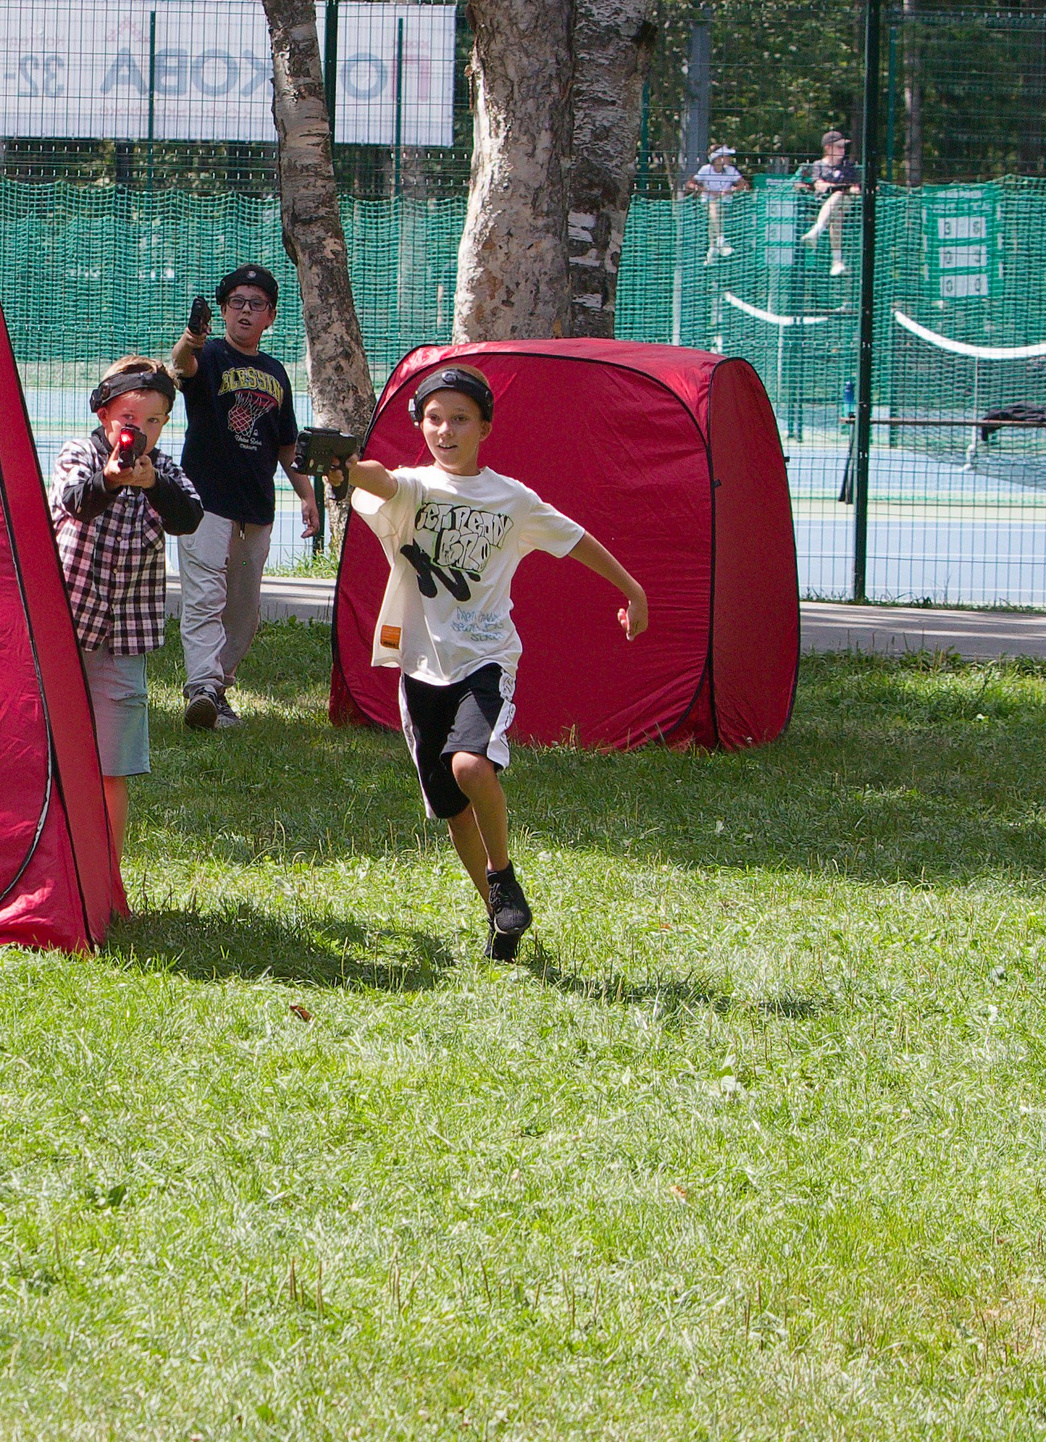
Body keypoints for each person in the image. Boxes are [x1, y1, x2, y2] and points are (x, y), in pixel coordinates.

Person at [314, 365, 648, 962]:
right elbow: (377, 479)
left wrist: (633, 590)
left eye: (460, 418)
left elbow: (575, 540)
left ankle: (502, 874)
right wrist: (340, 465)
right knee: (451, 811)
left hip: (487, 657)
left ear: (485, 426)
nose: (446, 429)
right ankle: (499, 913)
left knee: (471, 766)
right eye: (434, 418)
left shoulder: (512, 499)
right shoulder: (413, 487)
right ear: (421, 425)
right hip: (419, 665)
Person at [49, 356, 203, 882]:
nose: (141, 433)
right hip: (63, 633)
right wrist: (111, 481)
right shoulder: (77, 454)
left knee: (112, 769)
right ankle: (54, 873)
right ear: (103, 415)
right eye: (130, 421)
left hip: (123, 641)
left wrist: (151, 483)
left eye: (156, 421)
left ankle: (103, 880)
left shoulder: (165, 472)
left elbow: (189, 516)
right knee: (51, 759)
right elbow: (75, 501)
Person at [166, 264, 320, 732]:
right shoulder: (209, 356)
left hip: (256, 509)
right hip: (204, 503)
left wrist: (308, 497)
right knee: (204, 599)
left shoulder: (276, 373)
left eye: (256, 304)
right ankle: (202, 687)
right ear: (225, 312)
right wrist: (192, 337)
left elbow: (287, 445)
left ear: (270, 316)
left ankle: (219, 688)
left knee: (243, 613)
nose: (245, 312)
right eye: (237, 303)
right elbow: (181, 367)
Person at [799, 130, 860, 277]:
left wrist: (842, 189)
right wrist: (836, 187)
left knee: (839, 196)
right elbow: (819, 185)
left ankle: (817, 231)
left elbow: (855, 189)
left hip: (846, 203)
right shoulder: (818, 165)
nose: (842, 150)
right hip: (822, 205)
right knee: (836, 216)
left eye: (843, 147)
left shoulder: (848, 166)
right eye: (838, 146)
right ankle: (837, 261)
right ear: (827, 147)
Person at [689, 144, 745, 264]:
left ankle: (713, 246)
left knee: (714, 217)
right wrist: (707, 191)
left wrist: (730, 190)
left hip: (726, 203)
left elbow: (744, 185)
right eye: (726, 156)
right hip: (708, 202)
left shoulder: (731, 170)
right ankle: (720, 240)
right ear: (718, 158)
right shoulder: (705, 170)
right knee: (713, 208)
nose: (729, 158)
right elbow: (690, 184)